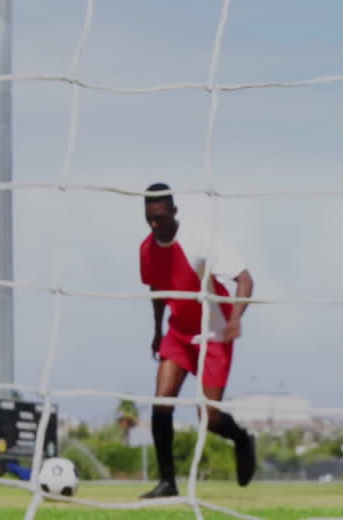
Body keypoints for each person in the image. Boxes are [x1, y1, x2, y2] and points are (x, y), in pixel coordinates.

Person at [138, 182, 256, 498]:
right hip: (178, 334)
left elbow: (245, 279)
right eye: (149, 218)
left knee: (209, 418)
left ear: (174, 212)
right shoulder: (147, 249)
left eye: (160, 217)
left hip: (215, 335)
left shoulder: (200, 239)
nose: (154, 224)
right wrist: (157, 331)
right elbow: (157, 290)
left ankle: (243, 440)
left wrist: (234, 321)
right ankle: (168, 484)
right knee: (161, 404)